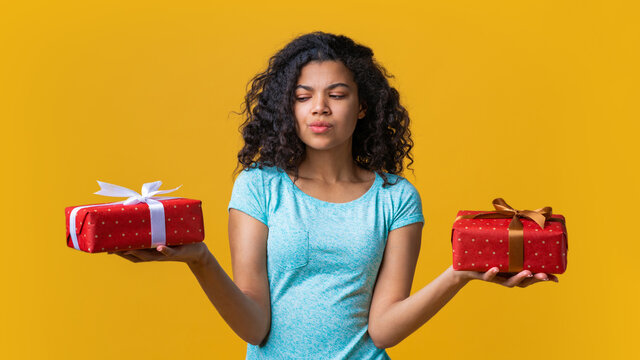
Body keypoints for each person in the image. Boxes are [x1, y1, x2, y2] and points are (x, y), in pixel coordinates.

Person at [110, 31, 559, 359]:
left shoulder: (395, 197)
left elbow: (383, 331)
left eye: (337, 94)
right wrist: (200, 260)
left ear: (362, 106)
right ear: (290, 107)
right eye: (304, 96)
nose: (320, 107)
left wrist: (461, 274)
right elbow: (255, 326)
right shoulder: (259, 186)